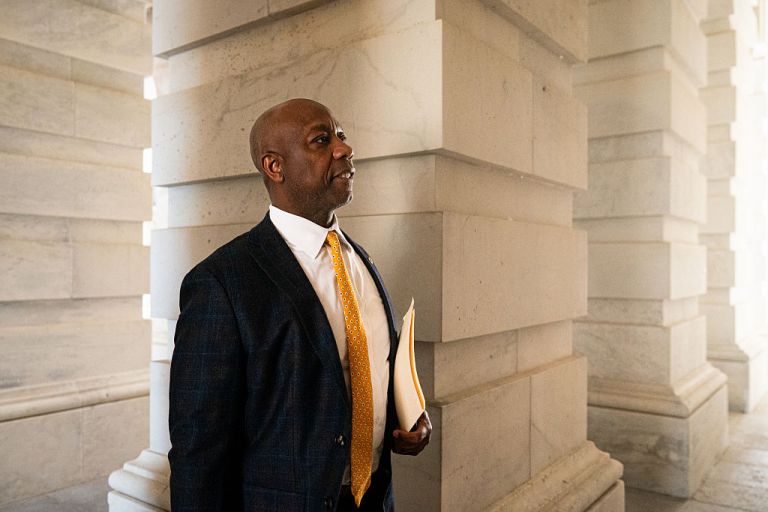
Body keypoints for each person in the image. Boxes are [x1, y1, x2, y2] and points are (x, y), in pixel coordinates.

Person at [168, 98, 431, 512]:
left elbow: (362, 373)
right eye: (321, 140)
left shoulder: (360, 261)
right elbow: (198, 453)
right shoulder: (221, 282)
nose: (344, 149)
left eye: (341, 136)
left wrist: (405, 418)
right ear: (275, 166)